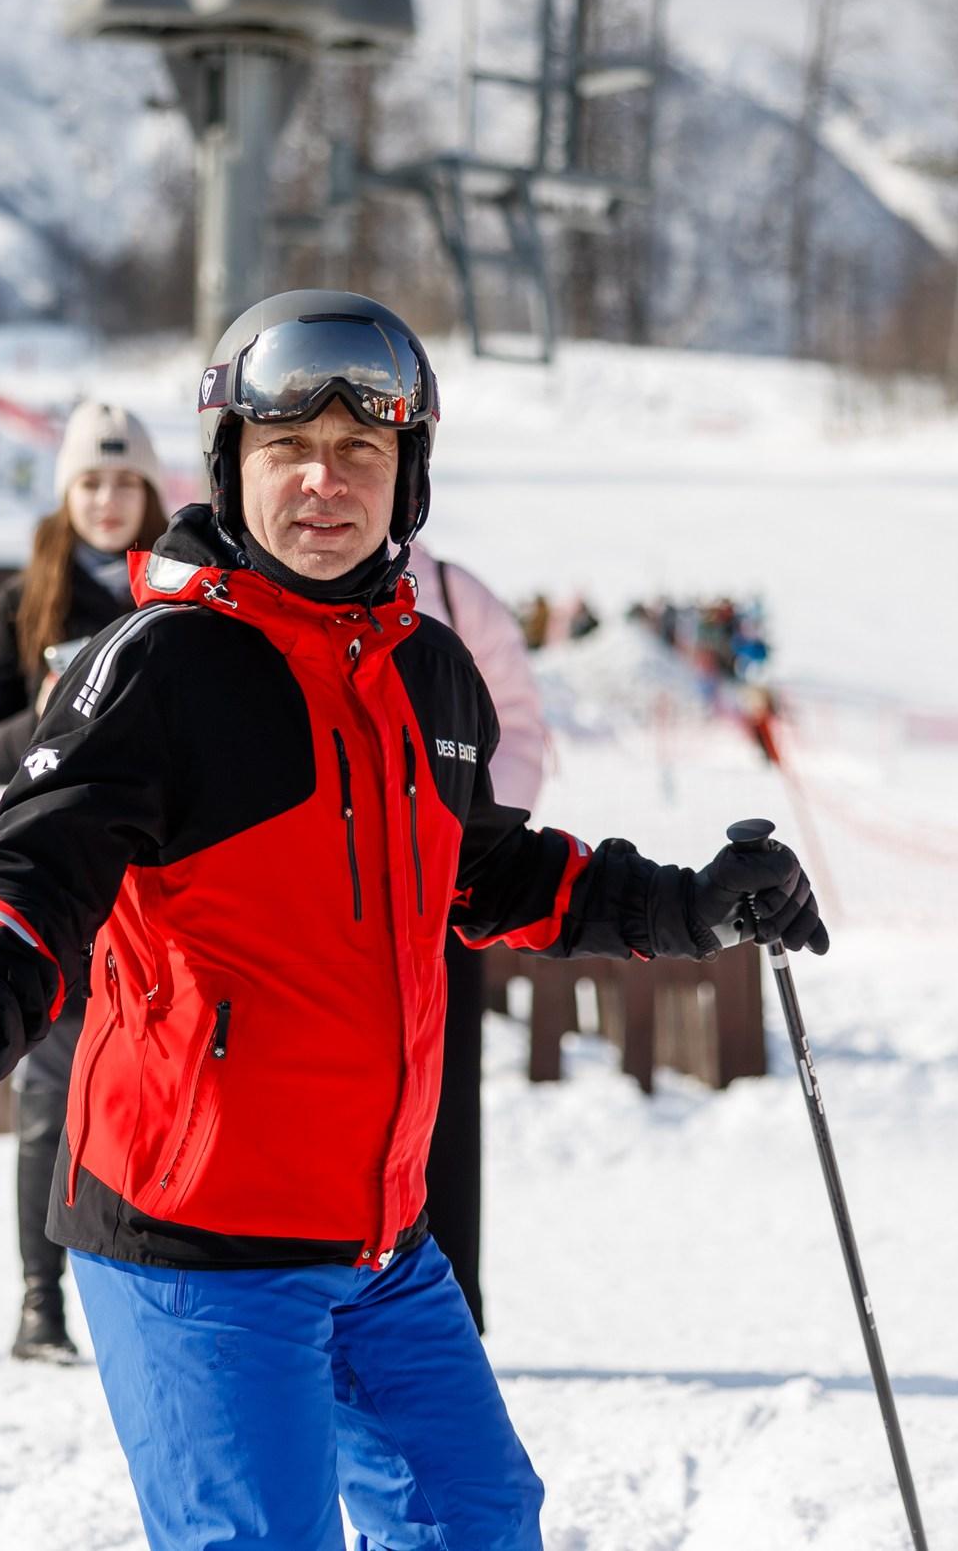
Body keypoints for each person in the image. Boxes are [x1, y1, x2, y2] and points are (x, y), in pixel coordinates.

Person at [0, 291, 827, 1550]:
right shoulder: (161, 664)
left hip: (377, 1235)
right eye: (287, 450)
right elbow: (40, 863)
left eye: (360, 451)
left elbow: (486, 870)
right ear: (232, 465)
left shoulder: (428, 669)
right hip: (193, 1240)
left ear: (405, 474)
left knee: (476, 1518)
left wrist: (690, 906)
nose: (324, 482)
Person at [0, 399, 169, 1363]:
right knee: (51, 1095)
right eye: (91, 480)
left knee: (159, 1092)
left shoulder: (180, 587)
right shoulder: (23, 599)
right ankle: (40, 1302)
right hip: (60, 877)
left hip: (160, 884)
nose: (110, 499)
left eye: (127, 481)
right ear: (65, 493)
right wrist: (44, 710)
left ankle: (160, 1295)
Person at [408, 543, 547, 1334]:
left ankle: (456, 1298)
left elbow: (520, 727)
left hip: (446, 890)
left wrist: (470, 832)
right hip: (333, 900)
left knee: (445, 1095)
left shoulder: (458, 595)